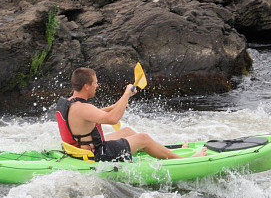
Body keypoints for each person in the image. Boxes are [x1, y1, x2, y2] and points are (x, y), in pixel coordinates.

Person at [55, 67, 207, 162]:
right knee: (143, 138)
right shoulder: (82, 107)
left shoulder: (71, 102)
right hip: (97, 154)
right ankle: (184, 159)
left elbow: (95, 115)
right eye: (95, 83)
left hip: (83, 148)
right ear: (86, 86)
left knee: (127, 132)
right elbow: (113, 119)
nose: (97, 86)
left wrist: (115, 106)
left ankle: (161, 150)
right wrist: (126, 94)